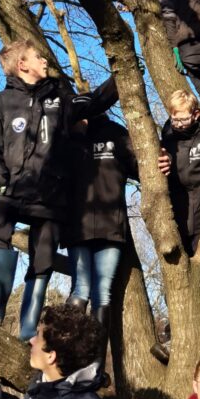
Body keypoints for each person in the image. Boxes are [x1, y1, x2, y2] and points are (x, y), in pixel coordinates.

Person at [0, 39, 118, 340]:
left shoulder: (60, 98)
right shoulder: (0, 102)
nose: (45, 61)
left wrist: (120, 77)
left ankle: (29, 322)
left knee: (43, 254)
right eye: (38, 57)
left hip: (51, 195)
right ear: (23, 65)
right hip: (11, 188)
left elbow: (93, 101)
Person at [63, 113, 138, 372]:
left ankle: (95, 365)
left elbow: (141, 166)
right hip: (77, 225)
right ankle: (66, 358)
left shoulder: (116, 133)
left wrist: (162, 160)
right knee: (80, 289)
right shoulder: (70, 137)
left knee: (101, 293)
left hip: (110, 226)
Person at [153, 91, 200, 363]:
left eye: (182, 119)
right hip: (177, 206)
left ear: (195, 114)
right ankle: (174, 332)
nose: (177, 124)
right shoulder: (167, 139)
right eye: (173, 119)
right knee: (175, 272)